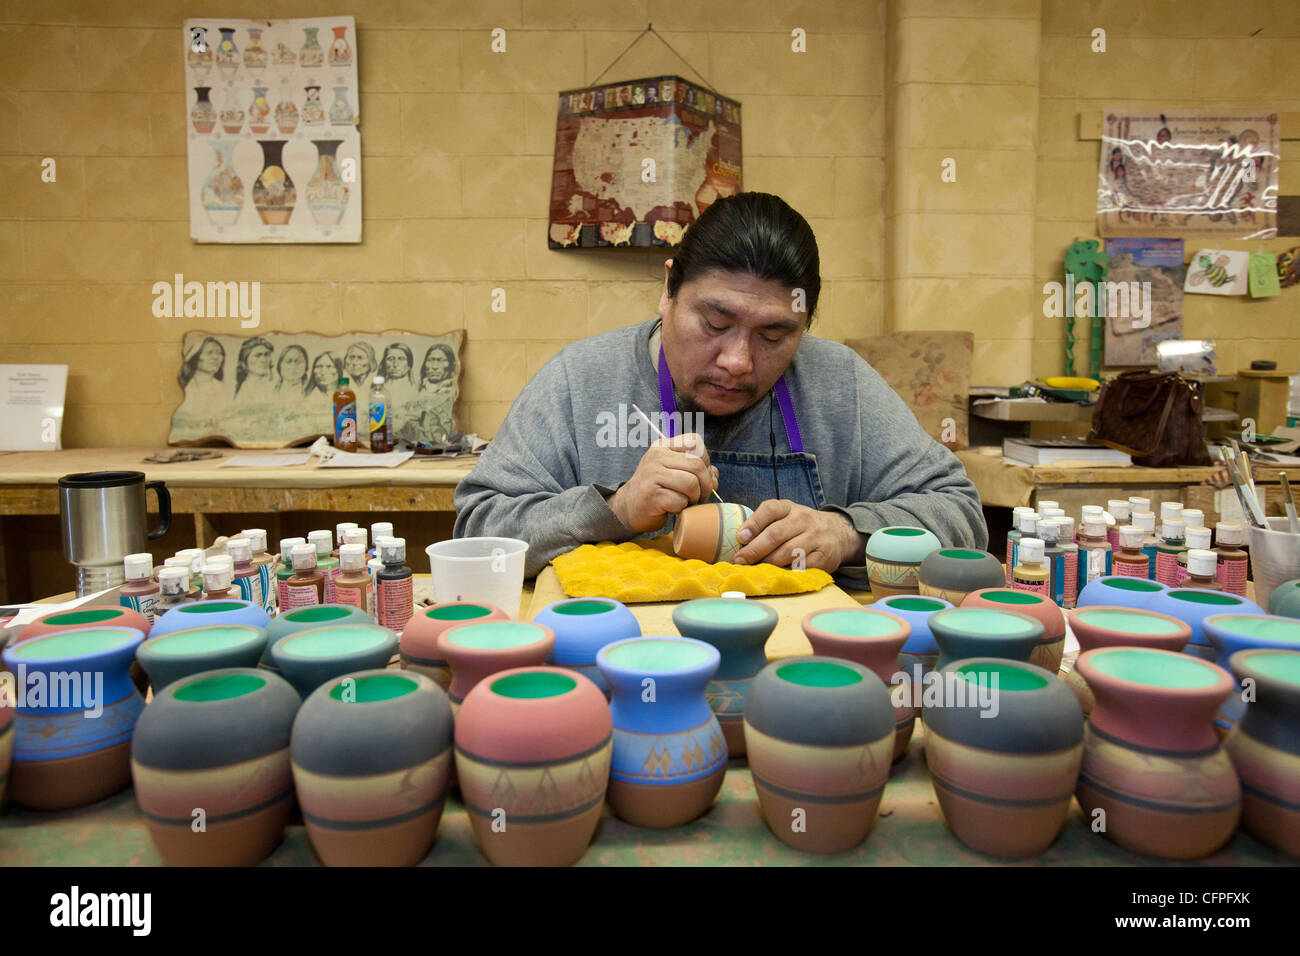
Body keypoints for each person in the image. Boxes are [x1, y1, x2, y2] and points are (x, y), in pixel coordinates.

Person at [454, 192, 987, 580]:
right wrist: (614, 511)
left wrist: (849, 534)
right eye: (714, 324)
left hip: (799, 666)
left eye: (774, 334)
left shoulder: (838, 384)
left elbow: (961, 515)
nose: (737, 362)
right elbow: (477, 532)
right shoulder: (581, 380)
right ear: (668, 289)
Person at [232, 337, 276, 402]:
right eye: (258, 356)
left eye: (266, 355)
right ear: (245, 361)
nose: (264, 360)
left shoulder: (274, 386)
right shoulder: (244, 390)